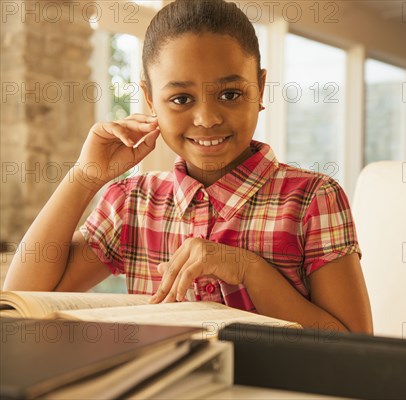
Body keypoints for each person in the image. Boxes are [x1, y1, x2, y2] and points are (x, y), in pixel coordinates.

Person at [4, 0, 373, 333]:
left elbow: (358, 349)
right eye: (181, 98)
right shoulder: (132, 203)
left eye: (230, 94)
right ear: (150, 99)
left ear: (260, 89)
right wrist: (84, 177)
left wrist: (248, 269)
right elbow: (22, 297)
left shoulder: (313, 199)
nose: (208, 118)